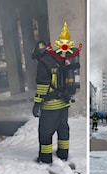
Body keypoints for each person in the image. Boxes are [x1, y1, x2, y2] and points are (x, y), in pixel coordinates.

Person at [31, 34, 80, 164]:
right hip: (64, 103)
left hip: (51, 105)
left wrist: (37, 103)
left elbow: (43, 85)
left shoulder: (43, 62)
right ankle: (63, 155)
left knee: (45, 132)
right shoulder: (58, 59)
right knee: (62, 129)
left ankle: (45, 159)